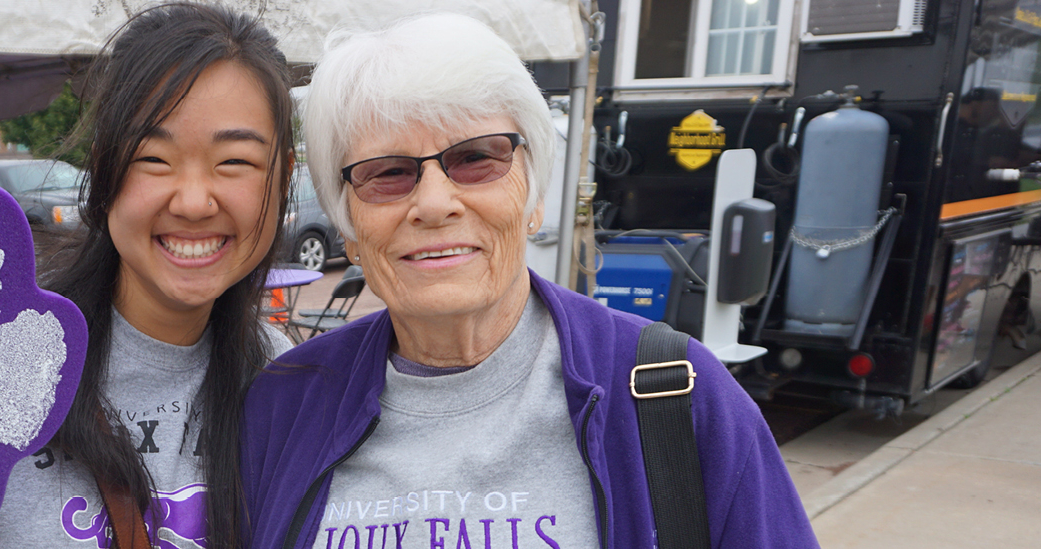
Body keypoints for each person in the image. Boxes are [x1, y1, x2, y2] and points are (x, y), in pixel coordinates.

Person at [239, 14, 819, 548]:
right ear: (352, 229)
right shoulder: (284, 403)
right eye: (388, 174)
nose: (435, 203)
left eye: (476, 159)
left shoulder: (678, 398)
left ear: (533, 197)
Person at [0, 4, 295, 549]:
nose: (194, 202)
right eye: (154, 158)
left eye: (235, 161)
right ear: (104, 171)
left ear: (283, 175)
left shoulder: (279, 375)